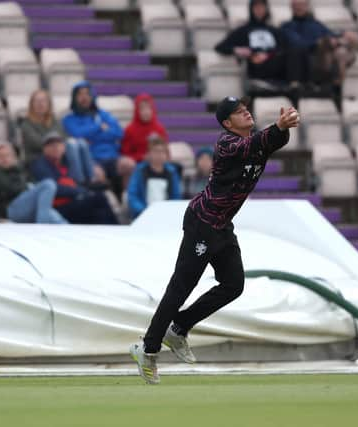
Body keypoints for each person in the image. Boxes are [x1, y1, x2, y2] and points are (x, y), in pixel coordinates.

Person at [129, 96, 300, 384]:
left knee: (234, 284)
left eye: (245, 108)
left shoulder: (257, 142)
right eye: (238, 112)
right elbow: (251, 145)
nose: (245, 112)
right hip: (202, 224)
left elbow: (274, 141)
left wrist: (283, 128)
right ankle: (147, 349)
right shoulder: (226, 143)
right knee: (181, 286)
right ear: (226, 123)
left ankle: (180, 327)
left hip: (222, 226)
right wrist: (277, 127)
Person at [31, 132, 118, 225]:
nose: (55, 148)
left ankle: (111, 233)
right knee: (99, 199)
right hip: (57, 207)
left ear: (64, 148)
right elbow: (54, 188)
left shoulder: (66, 164)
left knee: (99, 211)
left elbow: (76, 183)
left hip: (73, 201)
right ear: (44, 149)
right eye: (51, 145)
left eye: (58, 145)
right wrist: (81, 191)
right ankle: (117, 230)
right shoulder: (40, 165)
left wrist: (92, 188)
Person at [63, 81, 135, 191]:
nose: (84, 97)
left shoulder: (104, 114)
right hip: (92, 159)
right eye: (80, 94)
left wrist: (91, 136)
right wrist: (99, 127)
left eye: (87, 94)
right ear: (74, 98)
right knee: (97, 174)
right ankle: (109, 203)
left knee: (129, 164)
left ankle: (128, 200)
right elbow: (77, 134)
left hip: (112, 157)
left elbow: (118, 133)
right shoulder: (69, 119)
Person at [215, 0, 302, 89]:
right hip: (256, 65)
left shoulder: (274, 31)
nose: (259, 10)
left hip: (274, 61)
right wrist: (238, 50)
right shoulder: (243, 30)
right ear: (251, 9)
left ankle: (296, 86)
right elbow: (220, 47)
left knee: (297, 50)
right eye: (256, 7)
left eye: (262, 7)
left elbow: (283, 47)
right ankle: (295, 87)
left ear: (266, 9)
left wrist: (268, 55)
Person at [20, 89, 99, 184]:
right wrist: (56, 145)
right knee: (70, 146)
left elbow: (62, 137)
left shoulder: (54, 120)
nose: (40, 104)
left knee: (81, 143)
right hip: (38, 158)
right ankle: (79, 181)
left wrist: (57, 144)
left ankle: (91, 179)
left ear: (49, 104)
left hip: (58, 155)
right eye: (37, 101)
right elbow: (38, 143)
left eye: (43, 101)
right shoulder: (26, 124)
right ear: (31, 104)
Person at [280, 0, 358, 89]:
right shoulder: (287, 26)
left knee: (347, 43)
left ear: (307, 6)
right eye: (296, 5)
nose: (299, 7)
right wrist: (318, 43)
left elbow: (330, 34)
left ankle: (336, 84)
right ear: (291, 7)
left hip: (326, 57)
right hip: (307, 61)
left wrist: (342, 35)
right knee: (333, 50)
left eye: (302, 4)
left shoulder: (315, 24)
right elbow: (297, 44)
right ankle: (335, 84)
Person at [0, 143, 67, 224]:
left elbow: (32, 183)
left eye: (7, 155)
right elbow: (12, 189)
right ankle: (43, 225)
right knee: (48, 184)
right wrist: (28, 187)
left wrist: (30, 188)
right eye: (1, 156)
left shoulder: (20, 170)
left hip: (26, 207)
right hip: (11, 210)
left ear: (14, 157)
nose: (5, 159)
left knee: (54, 217)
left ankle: (67, 229)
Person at [127, 137, 182, 219]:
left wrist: (167, 212)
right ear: (149, 154)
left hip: (165, 216)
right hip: (143, 215)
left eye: (162, 152)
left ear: (166, 155)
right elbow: (132, 196)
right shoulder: (140, 171)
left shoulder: (172, 173)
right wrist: (145, 211)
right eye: (156, 151)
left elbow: (176, 196)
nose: (159, 155)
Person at [121, 93, 169, 164]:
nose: (146, 112)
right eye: (142, 109)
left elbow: (166, 151)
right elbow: (125, 154)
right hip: (138, 163)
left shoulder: (159, 129)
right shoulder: (129, 130)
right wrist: (142, 157)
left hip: (158, 164)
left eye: (149, 108)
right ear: (137, 111)